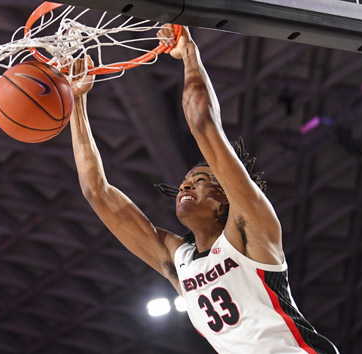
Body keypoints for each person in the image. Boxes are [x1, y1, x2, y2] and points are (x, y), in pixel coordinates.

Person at [68, 24, 338, 354]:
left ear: (225, 198)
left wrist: (188, 54)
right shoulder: (178, 261)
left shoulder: (250, 228)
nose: (185, 187)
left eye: (199, 182)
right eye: (183, 183)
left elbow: (202, 122)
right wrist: (77, 103)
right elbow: (96, 191)